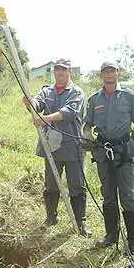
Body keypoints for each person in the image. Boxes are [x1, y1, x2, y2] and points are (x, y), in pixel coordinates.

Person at [23, 58, 92, 236]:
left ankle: (80, 223)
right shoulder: (46, 91)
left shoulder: (76, 92)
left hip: (72, 147)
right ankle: (51, 217)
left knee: (76, 184)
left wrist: (46, 118)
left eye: (63, 70)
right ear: (54, 72)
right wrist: (29, 102)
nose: (60, 72)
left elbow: (69, 113)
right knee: (51, 183)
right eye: (57, 69)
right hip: (51, 146)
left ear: (69, 72)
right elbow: (37, 104)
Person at [83, 61, 134, 253]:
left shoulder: (129, 96)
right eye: (105, 71)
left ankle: (132, 242)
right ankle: (111, 236)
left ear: (117, 73)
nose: (109, 74)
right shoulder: (94, 99)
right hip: (103, 153)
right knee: (108, 196)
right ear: (101, 75)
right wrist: (86, 137)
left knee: (128, 197)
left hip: (125, 154)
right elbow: (87, 124)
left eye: (112, 71)